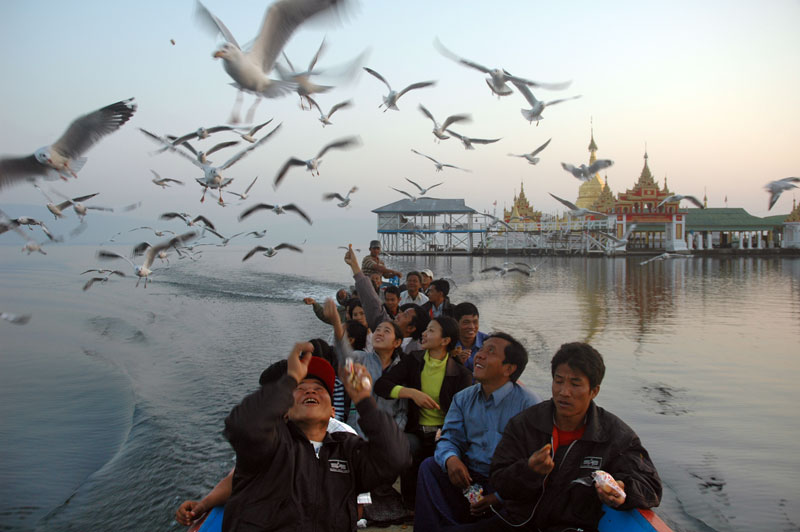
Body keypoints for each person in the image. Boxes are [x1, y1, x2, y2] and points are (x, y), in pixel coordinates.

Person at [445, 342, 662, 532]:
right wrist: (529, 470)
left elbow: (651, 486)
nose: (564, 392)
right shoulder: (526, 423)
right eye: (558, 381)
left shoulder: (614, 435)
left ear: (594, 391)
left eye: (575, 384)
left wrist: (623, 489)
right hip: (516, 524)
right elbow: (499, 481)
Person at [221, 342, 411, 532]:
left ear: (332, 411)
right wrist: (290, 379)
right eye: (300, 387)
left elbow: (395, 457)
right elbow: (242, 426)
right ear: (284, 410)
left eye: (320, 388)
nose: (310, 391)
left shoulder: (347, 449)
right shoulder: (270, 446)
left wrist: (364, 401)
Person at [174, 357, 359, 527]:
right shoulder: (272, 436)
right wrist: (203, 504)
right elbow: (239, 476)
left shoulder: (343, 439)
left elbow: (354, 506)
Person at [415, 333, 542, 531]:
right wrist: (451, 459)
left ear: (509, 369)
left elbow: (535, 462)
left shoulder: (529, 405)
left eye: (490, 352)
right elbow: (449, 437)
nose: (479, 355)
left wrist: (499, 496)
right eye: (481, 349)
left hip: (505, 483)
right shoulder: (463, 398)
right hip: (470, 478)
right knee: (430, 467)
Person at [374, 316, 473, 510]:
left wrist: (445, 432)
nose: (424, 334)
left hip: (444, 433)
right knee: (406, 446)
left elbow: (463, 415)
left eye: (431, 330)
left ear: (445, 340)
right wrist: (411, 393)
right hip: (416, 430)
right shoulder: (413, 360)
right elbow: (382, 385)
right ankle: (409, 504)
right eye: (426, 329)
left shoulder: (462, 374)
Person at [344, 247, 430, 355]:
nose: (399, 315)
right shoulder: (388, 327)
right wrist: (354, 266)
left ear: (411, 328)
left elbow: (373, 304)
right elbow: (372, 303)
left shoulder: (415, 354)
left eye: (405, 315)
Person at [451, 302, 489, 370]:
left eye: (475, 322)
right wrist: (456, 362)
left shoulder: (488, 342)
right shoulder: (447, 343)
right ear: (456, 323)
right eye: (466, 322)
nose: (472, 327)